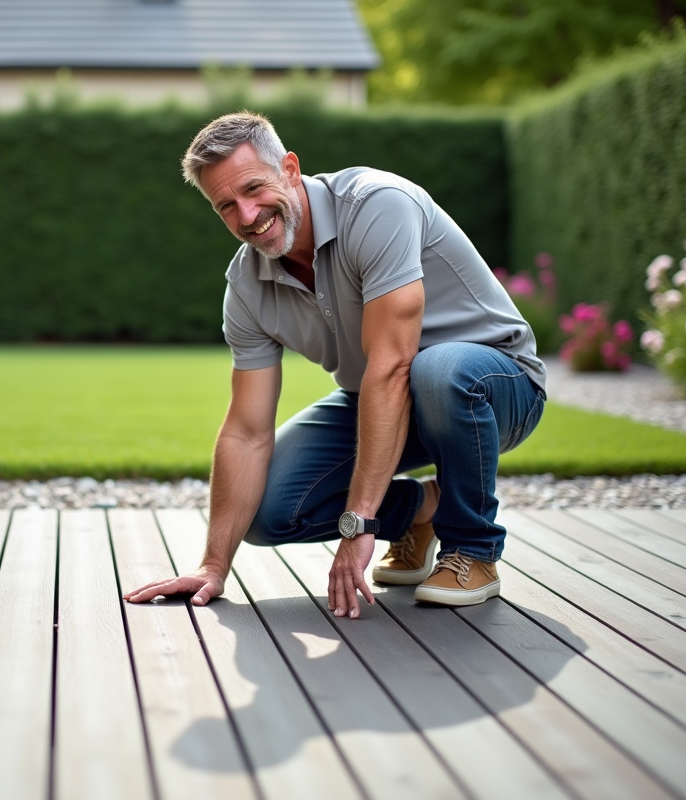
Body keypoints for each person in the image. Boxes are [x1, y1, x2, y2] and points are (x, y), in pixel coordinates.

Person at [123, 112, 546, 617]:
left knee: (436, 370)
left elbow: (393, 366)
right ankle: (423, 510)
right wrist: (213, 565)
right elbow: (246, 431)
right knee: (266, 511)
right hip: (379, 396)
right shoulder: (247, 287)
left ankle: (472, 549)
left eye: (254, 188)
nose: (248, 215)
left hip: (496, 387)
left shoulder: (377, 205)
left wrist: (359, 522)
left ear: (290, 169)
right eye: (226, 206)